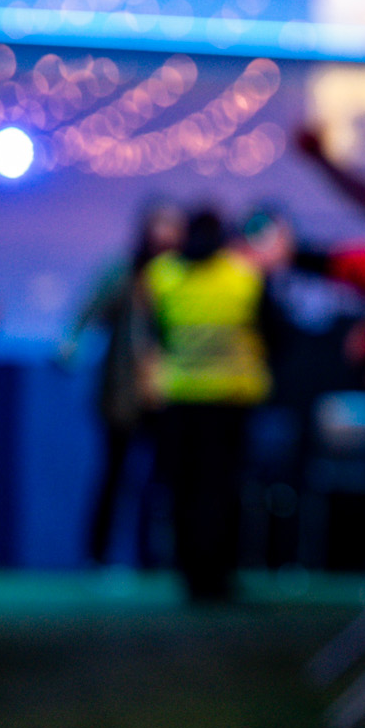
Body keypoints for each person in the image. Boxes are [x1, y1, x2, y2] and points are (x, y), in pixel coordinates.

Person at [143, 206, 282, 602]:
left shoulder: (163, 274)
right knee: (220, 492)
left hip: (181, 397)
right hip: (230, 400)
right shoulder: (244, 276)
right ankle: (217, 576)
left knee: (185, 493)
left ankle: (190, 576)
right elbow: (273, 334)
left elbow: (159, 334)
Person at [63, 199, 184, 565]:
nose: (166, 235)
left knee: (164, 482)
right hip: (123, 393)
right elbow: (92, 310)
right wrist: (71, 342)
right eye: (160, 227)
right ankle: (97, 556)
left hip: (170, 392)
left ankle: (156, 559)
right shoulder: (124, 274)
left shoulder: (185, 276)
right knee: (113, 476)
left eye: (173, 227)